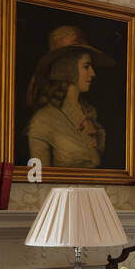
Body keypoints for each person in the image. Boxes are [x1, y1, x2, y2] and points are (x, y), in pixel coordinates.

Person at [25, 25, 112, 169]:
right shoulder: (42, 120)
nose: (93, 73)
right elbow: (39, 180)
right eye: (86, 66)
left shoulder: (89, 113)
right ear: (67, 68)